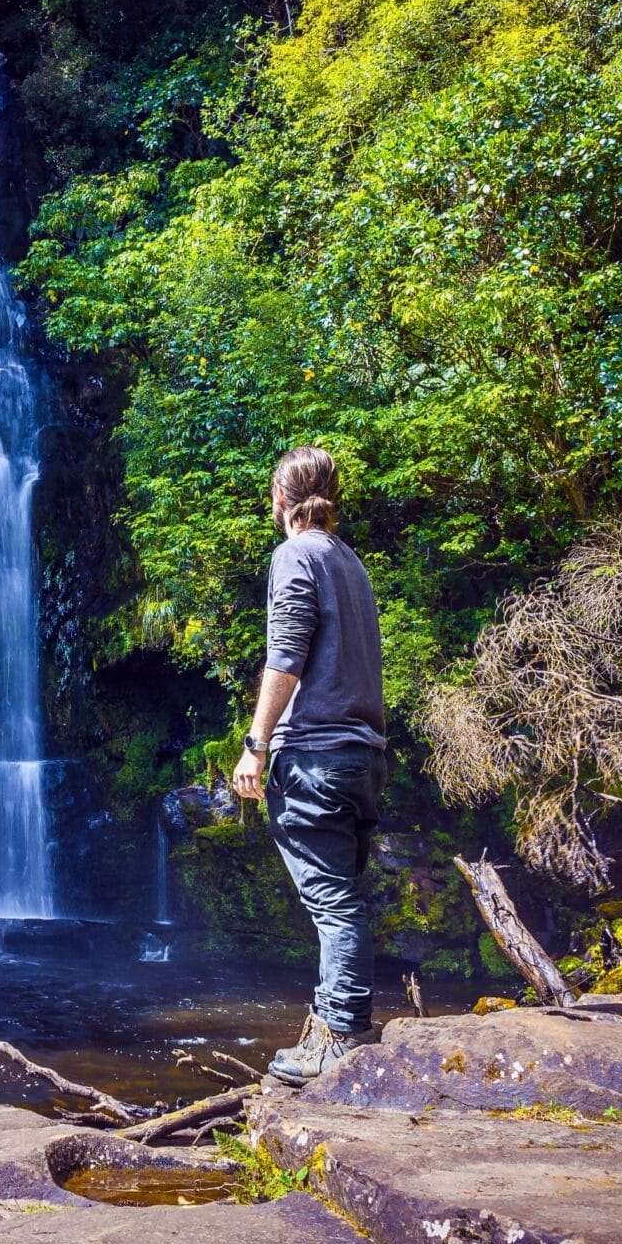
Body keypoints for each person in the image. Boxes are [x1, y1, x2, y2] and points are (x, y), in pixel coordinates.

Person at [230, 446, 386, 1087]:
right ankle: (332, 1026)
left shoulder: (295, 555)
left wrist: (256, 744)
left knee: (331, 900)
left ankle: (340, 1039)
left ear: (280, 500)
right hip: (362, 756)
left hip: (317, 755)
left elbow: (285, 659)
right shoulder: (350, 563)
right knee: (341, 896)